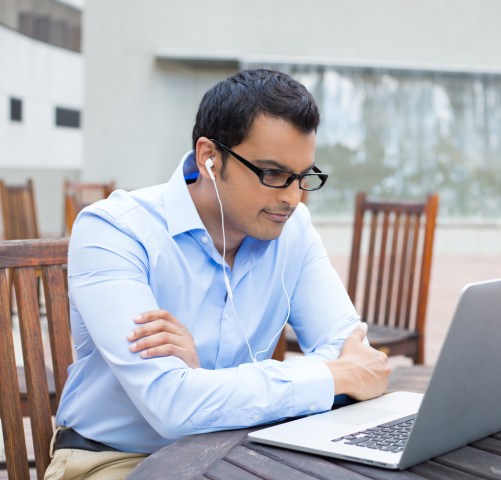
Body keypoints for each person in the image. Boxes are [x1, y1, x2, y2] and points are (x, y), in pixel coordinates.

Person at [45, 69, 391, 479]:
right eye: (273, 174)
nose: (293, 198)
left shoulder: (293, 229)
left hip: (242, 448)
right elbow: (172, 408)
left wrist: (204, 379)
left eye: (303, 178)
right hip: (116, 459)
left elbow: (356, 359)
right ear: (210, 157)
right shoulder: (115, 230)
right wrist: (330, 376)